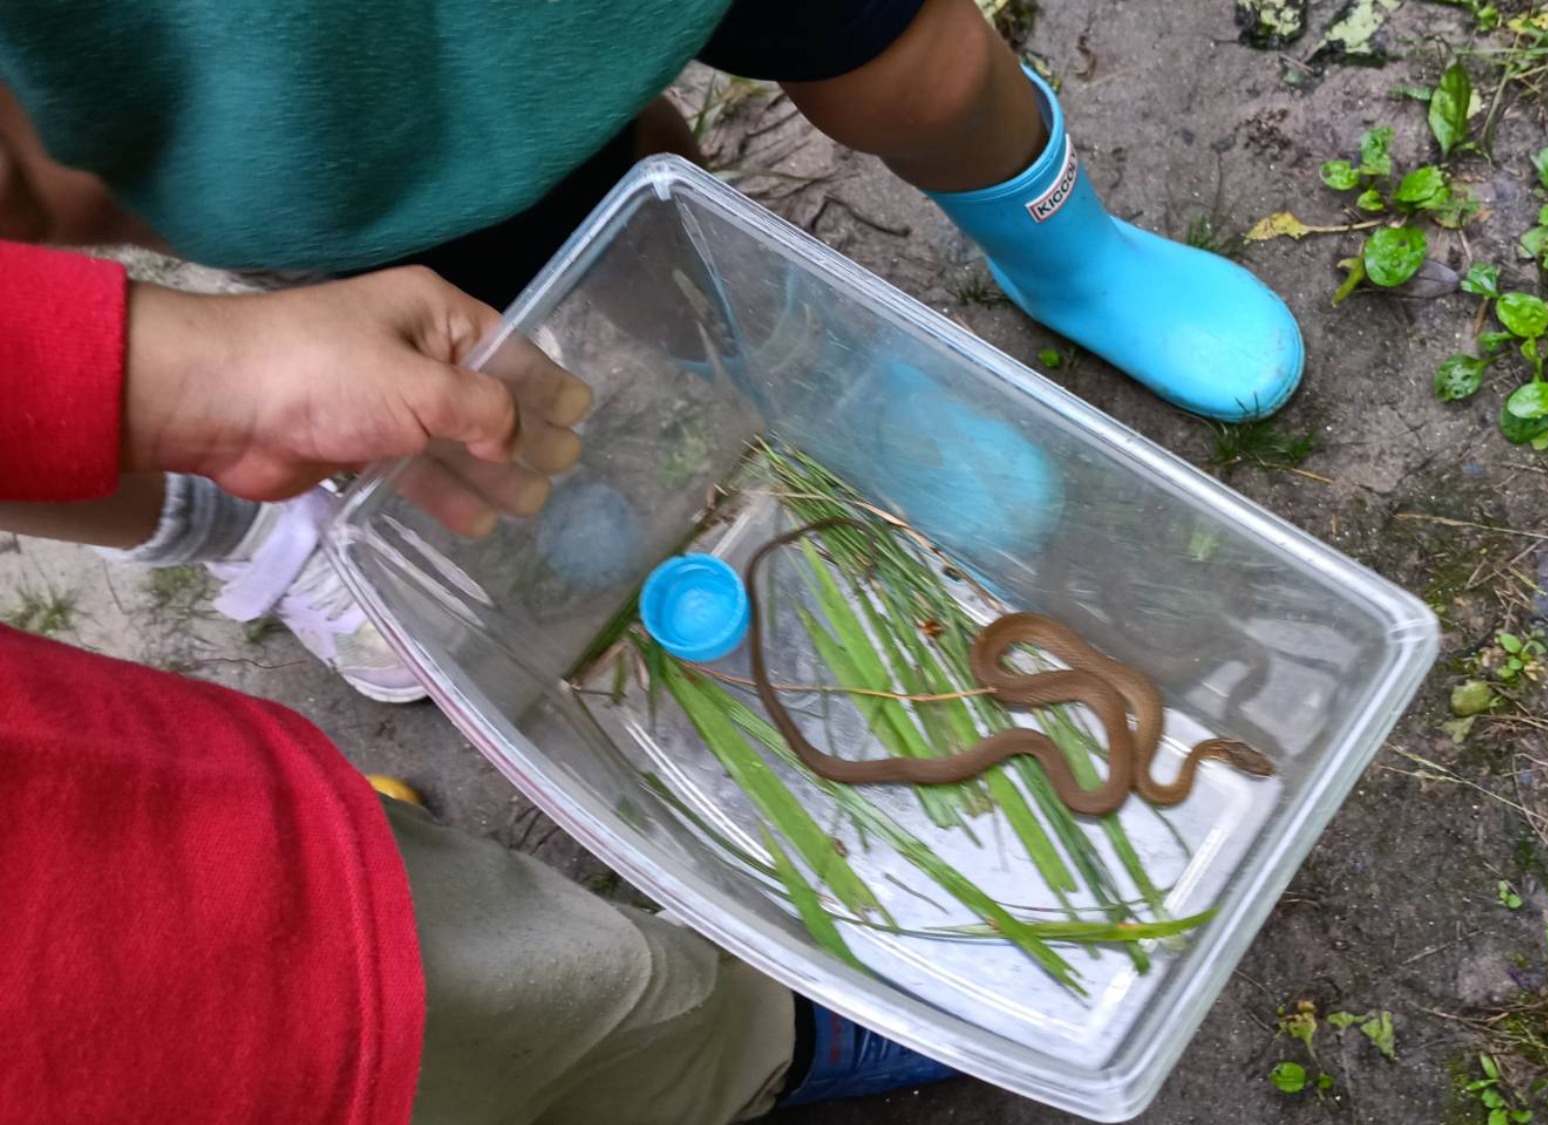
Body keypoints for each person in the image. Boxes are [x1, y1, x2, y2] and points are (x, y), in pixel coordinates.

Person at [0, 0, 1306, 702]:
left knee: (919, 62)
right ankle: (824, 364)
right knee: (637, 238)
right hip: (334, 117)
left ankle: (1070, 251)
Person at [0, 237, 956, 1122]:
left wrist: (171, 372)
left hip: (100, 824)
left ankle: (746, 1035)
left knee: (498, 973)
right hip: (170, 1055)